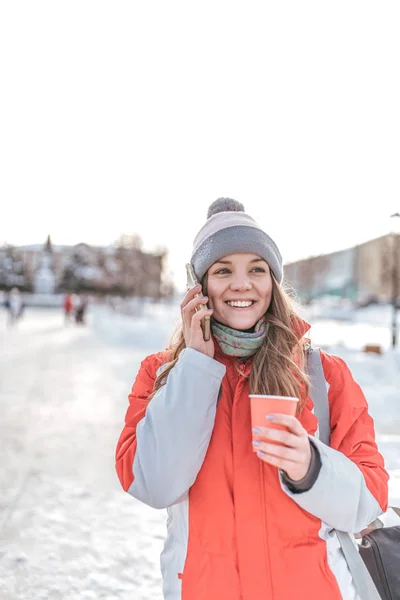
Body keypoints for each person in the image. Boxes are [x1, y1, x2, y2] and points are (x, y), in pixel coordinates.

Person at [115, 198, 389, 600]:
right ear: (201, 286)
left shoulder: (322, 375)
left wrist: (311, 468)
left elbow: (367, 505)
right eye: (223, 270)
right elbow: (154, 485)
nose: (241, 284)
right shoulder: (163, 373)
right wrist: (195, 366)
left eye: (256, 269)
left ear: (273, 283)